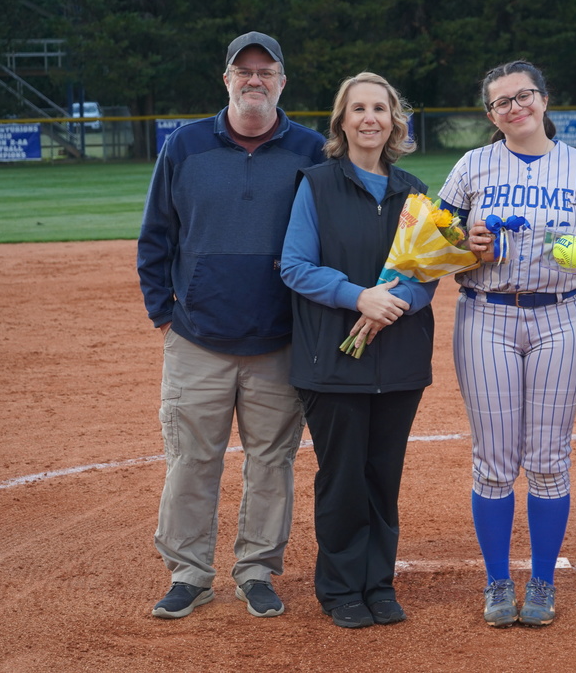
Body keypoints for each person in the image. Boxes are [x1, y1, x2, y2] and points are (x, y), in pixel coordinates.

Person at [137, 31, 326, 620]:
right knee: (193, 458)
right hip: (198, 338)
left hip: (278, 339)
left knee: (272, 461)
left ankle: (257, 570)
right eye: (243, 71)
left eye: (265, 71)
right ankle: (190, 572)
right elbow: (155, 236)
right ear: (226, 80)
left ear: (282, 81)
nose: (254, 80)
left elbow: (328, 237)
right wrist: (165, 314)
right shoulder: (185, 145)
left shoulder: (312, 149)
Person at [437, 60, 576, 627]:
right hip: (486, 316)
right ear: (490, 115)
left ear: (544, 99)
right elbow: (436, 241)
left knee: (547, 460)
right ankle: (496, 582)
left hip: (561, 318)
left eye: (524, 96)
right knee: (493, 462)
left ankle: (541, 581)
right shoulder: (472, 165)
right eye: (501, 102)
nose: (515, 108)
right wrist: (469, 243)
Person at [280, 72, 436, 629]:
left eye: (381, 108)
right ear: (342, 121)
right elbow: (295, 266)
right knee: (342, 477)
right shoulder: (316, 184)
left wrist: (399, 304)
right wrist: (359, 298)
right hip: (332, 358)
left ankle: (379, 583)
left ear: (395, 120)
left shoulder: (414, 192)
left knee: (382, 476)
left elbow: (428, 271)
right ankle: (341, 588)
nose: (370, 117)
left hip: (398, 361)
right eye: (358, 108)